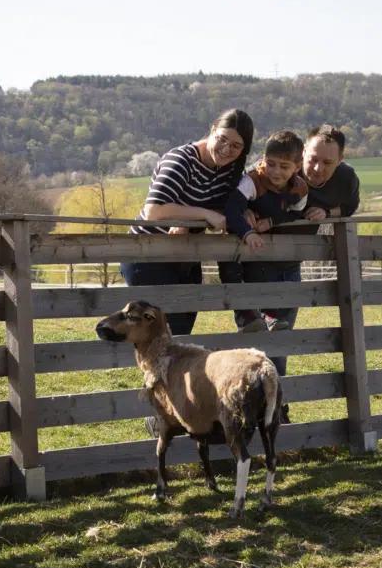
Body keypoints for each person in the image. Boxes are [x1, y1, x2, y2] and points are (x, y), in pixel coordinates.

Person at [120, 109, 254, 336]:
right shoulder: (181, 160)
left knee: (180, 335)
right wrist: (204, 215)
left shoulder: (229, 170)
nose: (226, 149)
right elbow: (153, 210)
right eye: (222, 139)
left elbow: (224, 207)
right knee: (159, 337)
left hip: (185, 259)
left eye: (236, 146)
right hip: (148, 257)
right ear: (213, 129)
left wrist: (245, 212)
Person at [222, 130, 308, 376]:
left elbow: (294, 212)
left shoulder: (299, 189)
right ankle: (246, 315)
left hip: (266, 251)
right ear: (263, 159)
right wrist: (247, 231)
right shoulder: (252, 181)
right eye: (270, 163)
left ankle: (270, 315)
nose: (275, 172)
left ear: (297, 166)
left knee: (268, 285)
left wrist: (270, 221)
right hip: (239, 242)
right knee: (233, 272)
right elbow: (231, 208)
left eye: (284, 166)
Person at [298, 124, 361, 222]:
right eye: (313, 159)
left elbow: (349, 208)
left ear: (339, 160)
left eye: (327, 163)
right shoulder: (285, 170)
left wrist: (326, 213)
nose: (318, 168)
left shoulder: (346, 178)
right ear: (304, 151)